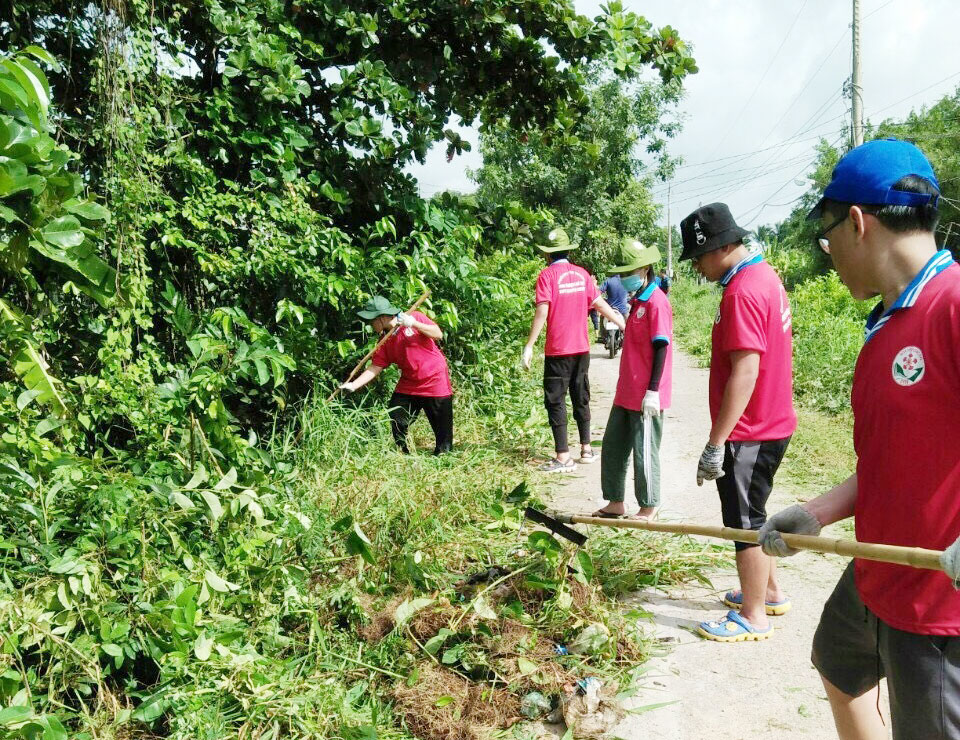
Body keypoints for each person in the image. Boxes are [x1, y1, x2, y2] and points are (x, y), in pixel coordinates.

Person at [759, 139, 960, 738]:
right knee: (839, 661)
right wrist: (816, 513)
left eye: (828, 234)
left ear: (856, 221)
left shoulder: (951, 306)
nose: (828, 254)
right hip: (877, 567)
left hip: (936, 604)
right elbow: (895, 461)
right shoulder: (887, 325)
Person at [678, 202, 797, 642]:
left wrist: (716, 442)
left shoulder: (742, 291)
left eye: (698, 256)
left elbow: (745, 370)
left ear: (723, 247)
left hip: (751, 430)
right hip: (772, 420)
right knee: (755, 512)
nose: (696, 266)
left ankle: (752, 616)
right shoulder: (763, 277)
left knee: (743, 521)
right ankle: (767, 592)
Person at [522, 227, 626, 473]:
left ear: (548, 255)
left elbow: (542, 311)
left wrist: (529, 345)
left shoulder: (546, 276)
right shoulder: (582, 274)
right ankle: (586, 449)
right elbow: (599, 303)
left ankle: (562, 457)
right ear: (569, 251)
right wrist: (623, 324)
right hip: (581, 350)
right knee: (581, 396)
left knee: (555, 401)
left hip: (558, 350)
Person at [592, 238, 672, 519]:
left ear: (645, 269)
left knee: (643, 451)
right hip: (626, 391)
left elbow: (662, 346)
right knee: (613, 447)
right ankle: (615, 501)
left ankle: (649, 504)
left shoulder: (656, 302)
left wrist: (653, 391)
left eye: (629, 272)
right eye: (622, 273)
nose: (625, 278)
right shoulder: (636, 300)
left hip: (645, 394)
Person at [340, 295, 453, 454]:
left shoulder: (414, 317)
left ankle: (443, 455)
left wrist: (413, 324)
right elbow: (375, 367)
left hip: (434, 378)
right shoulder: (384, 340)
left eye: (372, 321)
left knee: (442, 431)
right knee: (396, 415)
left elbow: (437, 334)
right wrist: (353, 385)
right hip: (409, 382)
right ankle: (403, 451)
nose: (371, 325)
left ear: (380, 318)